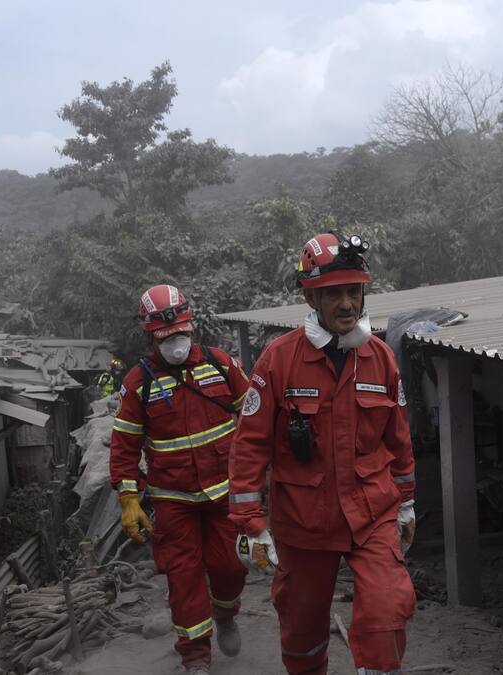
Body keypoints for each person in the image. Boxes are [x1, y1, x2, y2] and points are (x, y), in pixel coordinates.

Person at [229, 232, 417, 675]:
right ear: (311, 297)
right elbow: (250, 444)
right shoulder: (278, 360)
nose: (347, 304)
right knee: (302, 629)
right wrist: (250, 524)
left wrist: (406, 503)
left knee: (388, 608)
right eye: (334, 294)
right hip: (304, 521)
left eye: (354, 292)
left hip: (371, 514)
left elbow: (399, 439)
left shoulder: (381, 359)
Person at [109, 284, 250, 675]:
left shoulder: (222, 365)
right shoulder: (138, 383)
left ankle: (225, 614)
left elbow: (254, 419)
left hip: (225, 496)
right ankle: (196, 657)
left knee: (231, 567)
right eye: (166, 336)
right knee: (183, 578)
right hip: (173, 501)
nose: (176, 342)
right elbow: (124, 445)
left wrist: (260, 476)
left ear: (192, 326)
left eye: (181, 333)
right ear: (150, 336)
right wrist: (128, 500)